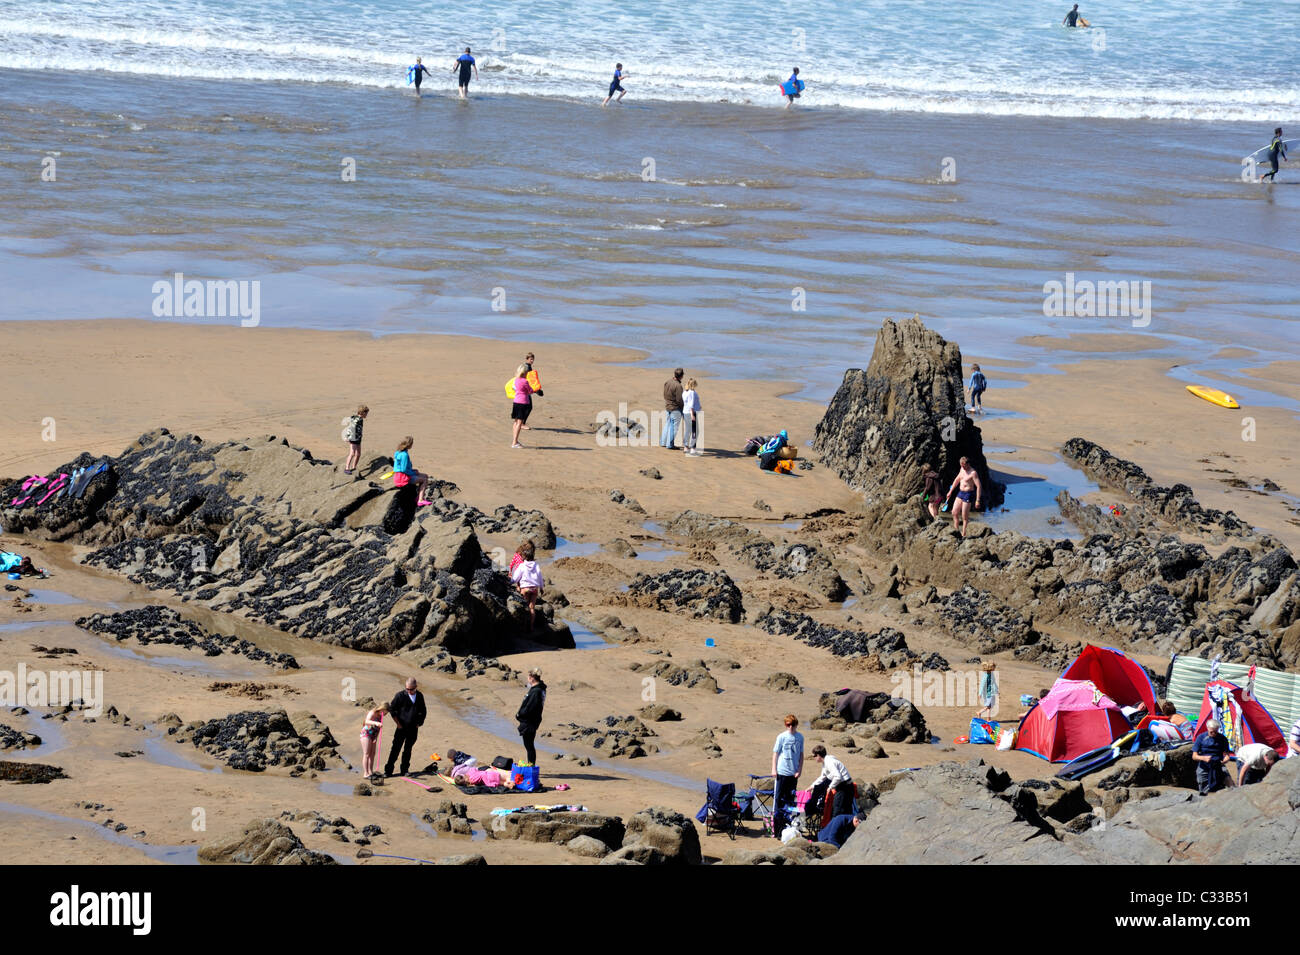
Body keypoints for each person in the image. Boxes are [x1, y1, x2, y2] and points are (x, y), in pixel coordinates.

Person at [383, 678, 426, 778]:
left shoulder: (419, 696)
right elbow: (392, 709)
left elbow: (423, 711)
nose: (409, 691)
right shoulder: (400, 696)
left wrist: (419, 723)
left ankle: (404, 770)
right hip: (401, 728)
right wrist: (398, 723)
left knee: (408, 749)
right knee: (395, 749)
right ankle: (388, 771)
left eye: (411, 689)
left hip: (413, 728)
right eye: (407, 689)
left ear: (416, 687)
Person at [770, 714, 804, 838]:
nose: (791, 727)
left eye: (793, 725)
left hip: (793, 774)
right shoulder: (781, 737)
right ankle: (777, 830)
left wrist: (799, 770)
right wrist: (774, 769)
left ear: (796, 725)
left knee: (790, 800)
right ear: (785, 725)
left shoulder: (800, 737)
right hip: (781, 772)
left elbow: (801, 755)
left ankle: (788, 827)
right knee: (778, 801)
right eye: (788, 725)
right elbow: (775, 753)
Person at [808, 745, 855, 818]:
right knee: (842, 809)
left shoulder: (829, 762)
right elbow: (822, 777)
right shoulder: (825, 762)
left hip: (845, 787)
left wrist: (830, 787)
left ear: (819, 755)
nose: (814, 758)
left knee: (837, 810)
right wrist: (811, 786)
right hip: (842, 786)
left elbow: (838, 777)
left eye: (814, 756)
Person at [510, 539, 545, 630]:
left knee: (525, 607)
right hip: (534, 589)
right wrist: (541, 587)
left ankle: (524, 626)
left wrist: (510, 582)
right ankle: (532, 626)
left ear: (524, 556)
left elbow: (516, 577)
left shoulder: (522, 566)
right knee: (532, 608)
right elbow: (540, 577)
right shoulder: (536, 565)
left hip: (525, 588)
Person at [944, 456, 983, 537]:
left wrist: (977, 500)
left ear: (968, 464)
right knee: (954, 512)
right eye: (961, 465)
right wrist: (950, 491)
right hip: (960, 492)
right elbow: (957, 480)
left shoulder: (973, 473)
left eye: (964, 465)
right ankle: (956, 530)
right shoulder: (962, 469)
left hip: (968, 494)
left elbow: (979, 486)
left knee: (964, 516)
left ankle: (964, 533)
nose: (963, 467)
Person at [1191, 718, 1232, 794]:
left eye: (1215, 732)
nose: (1213, 734)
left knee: (1230, 783)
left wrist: (1225, 760)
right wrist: (1203, 758)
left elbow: (1226, 755)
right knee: (1203, 785)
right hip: (1204, 765)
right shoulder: (1201, 738)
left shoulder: (1222, 739)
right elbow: (1194, 756)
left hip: (1218, 764)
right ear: (1207, 728)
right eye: (1211, 732)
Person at [516, 667, 547, 764]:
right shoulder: (537, 689)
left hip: (530, 721)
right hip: (532, 720)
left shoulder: (536, 691)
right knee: (529, 745)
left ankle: (531, 766)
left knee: (529, 745)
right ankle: (531, 765)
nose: (528, 679)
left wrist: (520, 715)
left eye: (528, 677)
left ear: (532, 677)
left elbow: (530, 708)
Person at [392, 437, 434, 505]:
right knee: (424, 480)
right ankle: (420, 500)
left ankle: (418, 495)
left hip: (399, 476)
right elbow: (403, 470)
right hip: (403, 478)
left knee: (425, 476)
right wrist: (413, 472)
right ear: (409, 444)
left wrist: (413, 470)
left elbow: (400, 467)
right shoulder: (404, 455)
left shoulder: (398, 452)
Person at [359, 701, 388, 779]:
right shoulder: (372, 712)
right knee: (367, 754)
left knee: (372, 754)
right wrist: (376, 723)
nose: (385, 714)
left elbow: (378, 729)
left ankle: (370, 772)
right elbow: (366, 721)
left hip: (373, 735)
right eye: (385, 712)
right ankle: (366, 773)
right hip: (366, 734)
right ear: (382, 709)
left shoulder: (380, 717)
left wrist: (376, 737)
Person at [510, 363, 534, 449]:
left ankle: (514, 440)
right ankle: (514, 442)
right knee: (519, 423)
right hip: (522, 403)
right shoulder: (525, 381)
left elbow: (514, 388)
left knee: (516, 422)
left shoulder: (516, 380)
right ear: (524, 373)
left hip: (516, 402)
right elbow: (530, 391)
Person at [661, 368, 685, 449]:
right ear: (681, 376)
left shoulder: (668, 382)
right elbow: (679, 400)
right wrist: (683, 408)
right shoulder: (678, 386)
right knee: (674, 427)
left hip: (668, 406)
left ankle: (663, 442)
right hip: (675, 408)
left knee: (667, 424)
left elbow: (664, 394)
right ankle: (670, 444)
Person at [519, 353, 543, 430]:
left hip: (525, 389)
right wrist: (537, 391)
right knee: (528, 407)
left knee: (526, 407)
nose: (532, 361)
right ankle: (522, 423)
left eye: (533, 359)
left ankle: (520, 422)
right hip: (525, 390)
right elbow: (530, 381)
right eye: (531, 359)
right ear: (527, 359)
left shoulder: (527, 367)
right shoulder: (527, 367)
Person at [343, 404, 368, 475]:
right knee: (352, 453)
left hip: (358, 438)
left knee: (358, 454)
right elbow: (350, 427)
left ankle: (354, 467)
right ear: (363, 413)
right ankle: (347, 468)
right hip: (353, 438)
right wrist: (347, 436)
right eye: (366, 413)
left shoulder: (359, 418)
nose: (367, 415)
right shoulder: (357, 420)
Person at [682, 377, 702, 456]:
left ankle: (686, 446)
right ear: (694, 385)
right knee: (695, 431)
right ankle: (693, 448)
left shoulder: (685, 392)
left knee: (688, 430)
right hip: (691, 413)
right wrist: (692, 414)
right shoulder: (692, 392)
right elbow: (691, 404)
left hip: (685, 412)